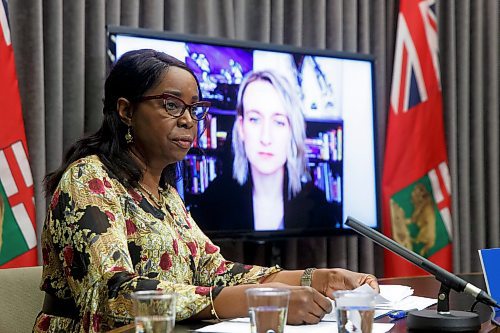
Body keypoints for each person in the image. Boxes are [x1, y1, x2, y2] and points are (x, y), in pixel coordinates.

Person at [33, 49, 378, 333]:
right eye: (172, 105)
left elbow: (216, 271)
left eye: (195, 109)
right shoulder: (89, 178)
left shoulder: (165, 194)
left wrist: (318, 278)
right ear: (126, 110)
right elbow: (113, 295)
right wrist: (257, 299)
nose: (188, 120)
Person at [193, 70, 339, 232]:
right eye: (255, 119)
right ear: (241, 127)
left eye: (279, 122)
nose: (266, 138)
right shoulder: (213, 202)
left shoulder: (317, 206)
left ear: (292, 130)